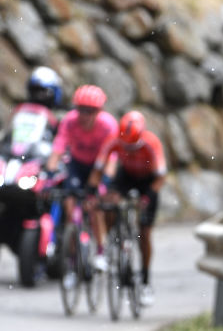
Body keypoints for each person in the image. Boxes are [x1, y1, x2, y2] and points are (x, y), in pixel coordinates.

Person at [88, 110, 167, 307]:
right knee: (107, 204)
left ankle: (146, 281)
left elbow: (161, 177)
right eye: (126, 147)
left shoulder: (151, 143)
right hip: (126, 176)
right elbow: (98, 170)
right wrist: (92, 192)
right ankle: (108, 243)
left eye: (134, 147)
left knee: (145, 233)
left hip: (148, 181)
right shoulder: (113, 140)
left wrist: (147, 197)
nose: (130, 151)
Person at [44, 84, 118, 273]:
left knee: (94, 205)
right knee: (70, 204)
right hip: (77, 165)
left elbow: (111, 157)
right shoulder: (69, 121)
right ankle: (73, 256)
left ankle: (100, 252)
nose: (84, 115)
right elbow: (58, 148)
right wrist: (49, 173)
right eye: (81, 110)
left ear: (98, 111)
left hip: (99, 165)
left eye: (89, 111)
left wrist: (106, 180)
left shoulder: (108, 125)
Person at [0, 66, 62, 156]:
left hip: (36, 158)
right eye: (36, 90)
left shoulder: (55, 116)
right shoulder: (19, 109)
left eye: (43, 91)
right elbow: (6, 134)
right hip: (11, 155)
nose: (39, 95)